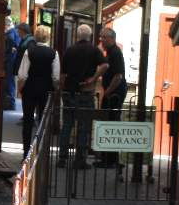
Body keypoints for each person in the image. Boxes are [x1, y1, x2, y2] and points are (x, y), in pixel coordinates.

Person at [58, 23, 107, 168]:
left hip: (70, 91)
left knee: (67, 125)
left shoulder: (69, 50)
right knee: (83, 127)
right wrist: (94, 78)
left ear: (77, 35)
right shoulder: (94, 50)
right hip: (86, 93)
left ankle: (62, 158)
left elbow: (62, 74)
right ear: (90, 36)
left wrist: (62, 90)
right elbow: (105, 65)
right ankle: (79, 160)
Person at [16, 24, 58, 153]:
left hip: (29, 89)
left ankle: (26, 151)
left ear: (35, 37)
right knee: (42, 120)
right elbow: (56, 76)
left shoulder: (30, 52)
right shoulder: (53, 53)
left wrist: (20, 89)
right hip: (45, 90)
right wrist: (55, 89)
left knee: (28, 120)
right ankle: (40, 150)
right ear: (48, 37)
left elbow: (22, 74)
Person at [97, 27, 127, 167]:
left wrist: (108, 91)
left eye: (104, 37)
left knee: (110, 124)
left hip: (115, 94)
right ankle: (107, 158)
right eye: (101, 37)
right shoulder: (110, 52)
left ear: (112, 38)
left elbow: (118, 76)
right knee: (108, 123)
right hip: (112, 92)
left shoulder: (115, 53)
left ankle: (110, 160)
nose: (101, 40)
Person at [4, 19, 25, 108]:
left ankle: (10, 103)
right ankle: (10, 103)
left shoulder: (10, 33)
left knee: (9, 82)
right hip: (12, 60)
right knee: (10, 82)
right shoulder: (14, 33)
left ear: (6, 26)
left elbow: (12, 42)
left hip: (10, 61)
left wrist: (9, 49)